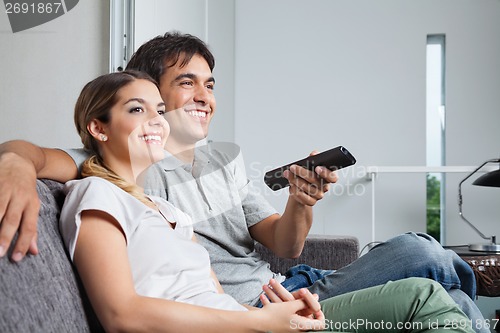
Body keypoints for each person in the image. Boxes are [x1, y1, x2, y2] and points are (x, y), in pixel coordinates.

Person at [0, 31, 487, 332]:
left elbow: (285, 243)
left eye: (210, 84)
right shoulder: (124, 162)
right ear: (151, 94)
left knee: (435, 272)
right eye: (186, 82)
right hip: (249, 307)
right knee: (428, 262)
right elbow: (33, 154)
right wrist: (15, 166)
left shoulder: (225, 159)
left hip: (290, 282)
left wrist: (301, 201)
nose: (204, 95)